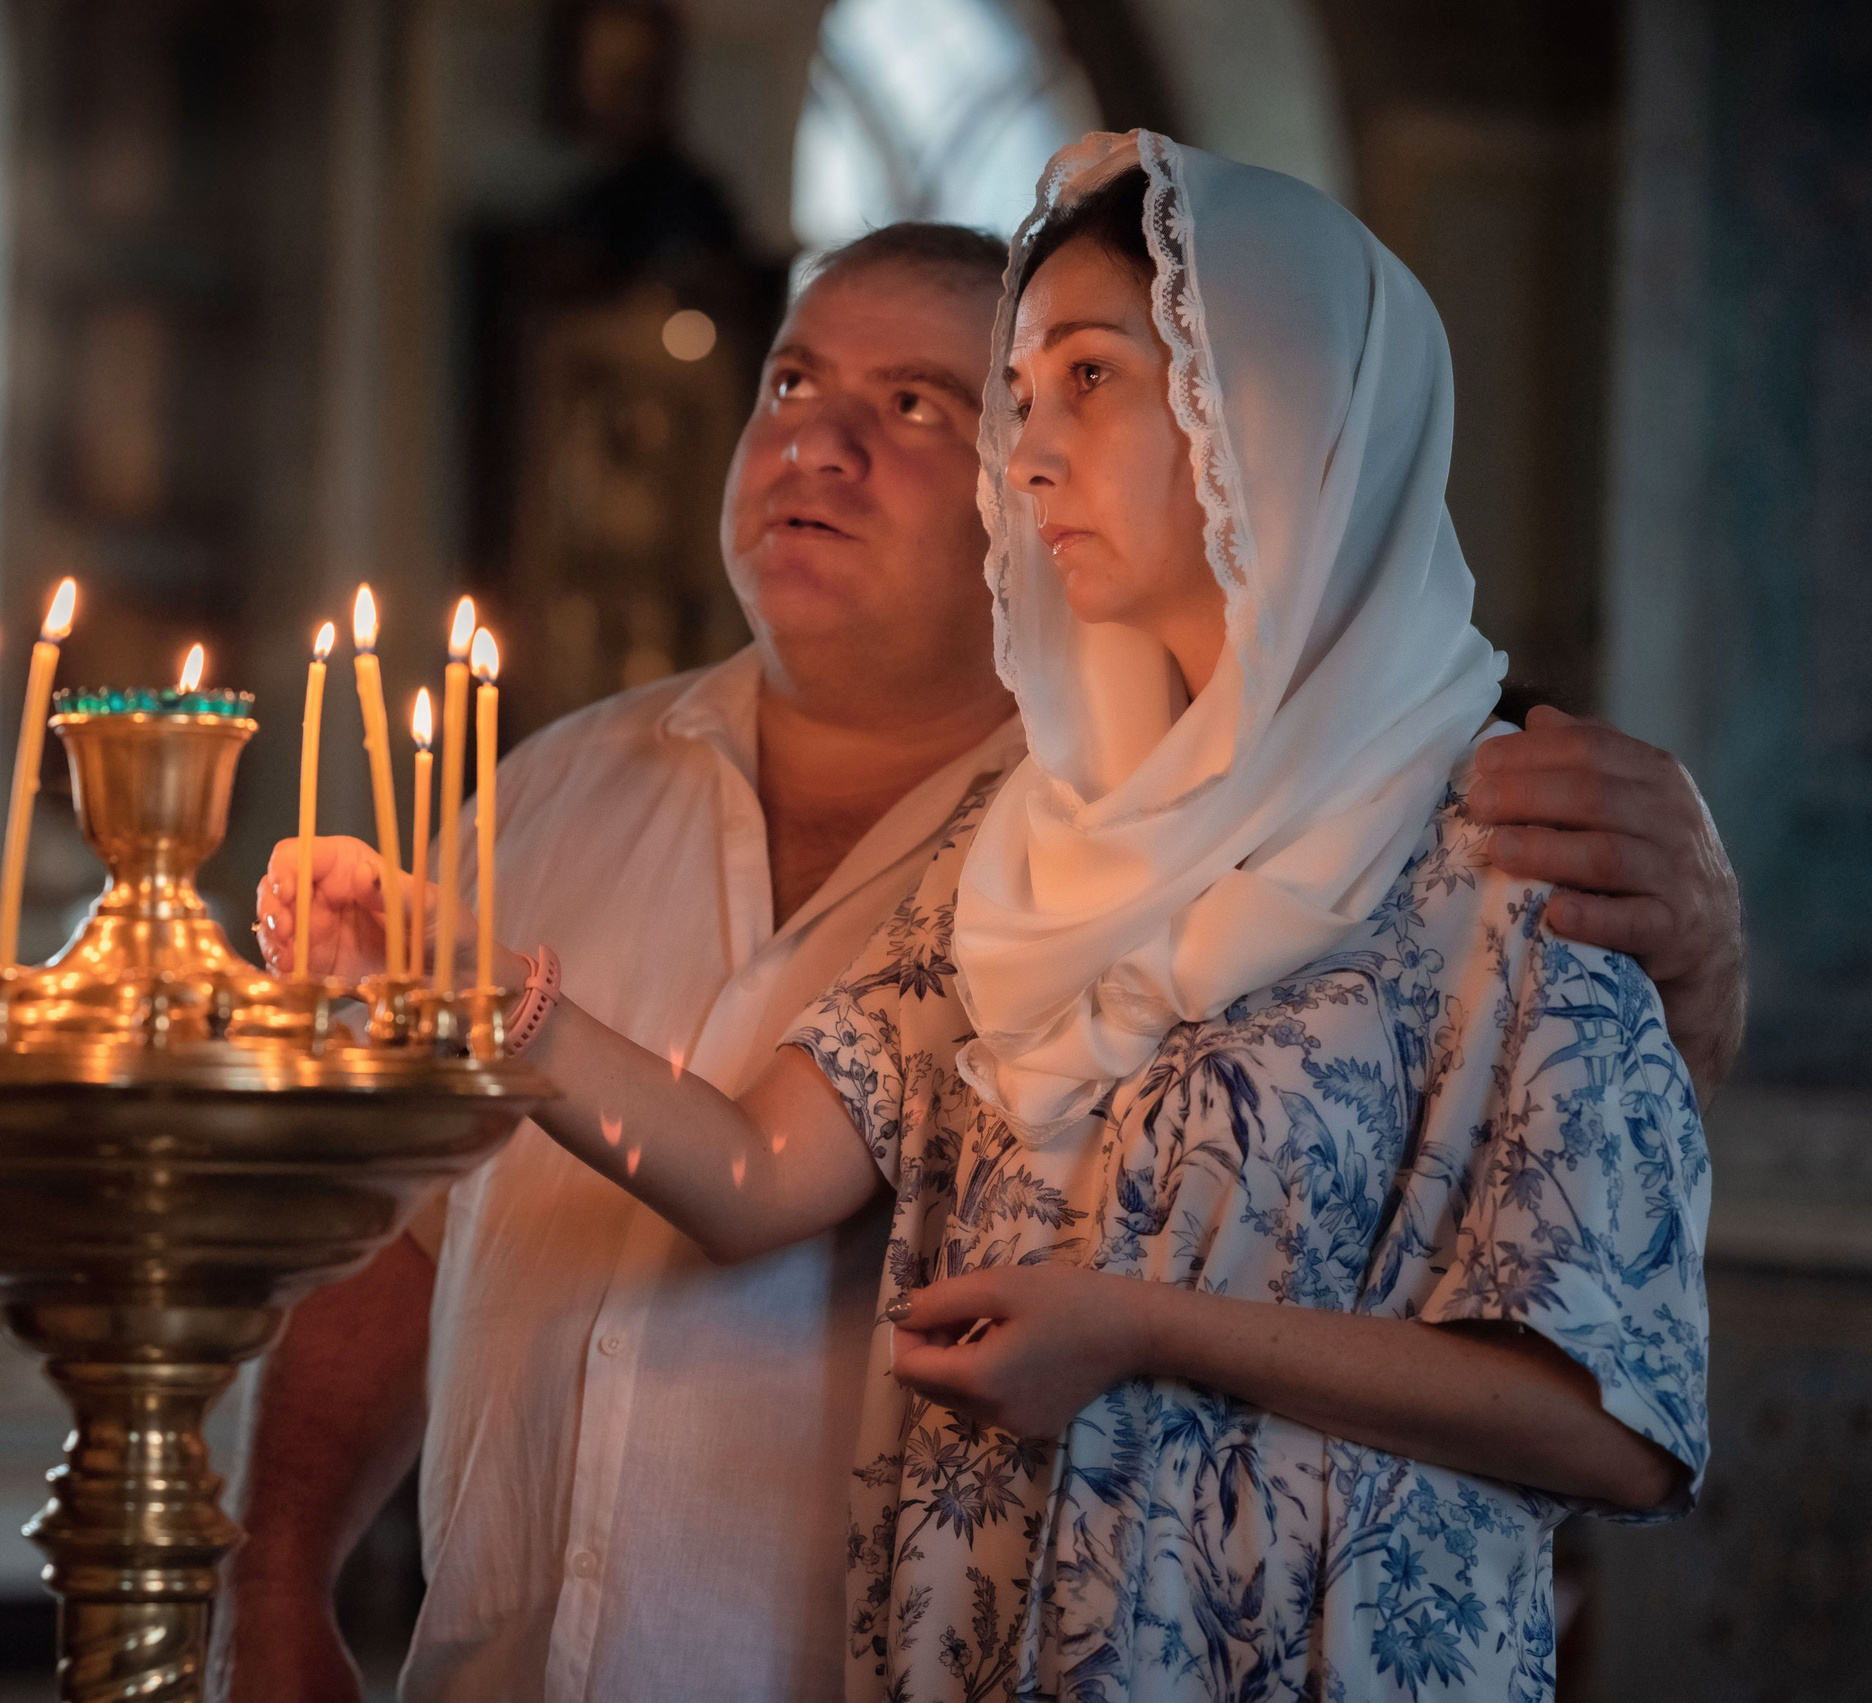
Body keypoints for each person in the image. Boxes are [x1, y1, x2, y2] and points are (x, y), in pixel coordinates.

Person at [226, 190, 1741, 1703]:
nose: (1027, 452)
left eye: (1069, 381)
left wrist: (1145, 1331)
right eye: (1014, 398)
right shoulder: (1035, 843)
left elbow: (1615, 1404)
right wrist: (481, 997)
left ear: (1268, 409)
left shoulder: (1522, 820)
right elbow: (749, 1174)